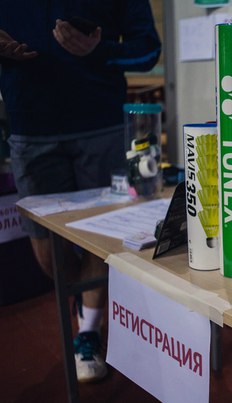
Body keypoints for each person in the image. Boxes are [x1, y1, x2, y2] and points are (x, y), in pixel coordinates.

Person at [0, 1, 161, 382]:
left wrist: (99, 50)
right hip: (31, 128)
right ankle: (85, 297)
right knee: (46, 250)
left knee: (100, 241)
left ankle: (88, 330)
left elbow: (148, 51)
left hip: (102, 126)